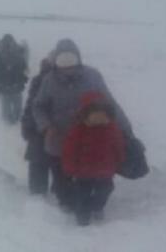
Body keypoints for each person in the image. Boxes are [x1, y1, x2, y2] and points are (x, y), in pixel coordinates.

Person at [32, 39, 132, 211]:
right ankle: (67, 204)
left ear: (79, 58)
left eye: (71, 60)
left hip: (89, 138)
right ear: (56, 61)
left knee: (91, 175)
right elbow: (38, 106)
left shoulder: (92, 76)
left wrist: (126, 129)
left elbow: (110, 104)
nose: (67, 66)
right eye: (62, 61)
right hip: (58, 138)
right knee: (61, 176)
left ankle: (90, 206)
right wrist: (46, 126)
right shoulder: (49, 80)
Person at [62, 91, 125, 226]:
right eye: (94, 115)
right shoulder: (78, 130)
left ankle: (97, 206)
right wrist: (70, 167)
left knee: (105, 190)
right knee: (82, 194)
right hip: (83, 172)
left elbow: (118, 146)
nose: (98, 118)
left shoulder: (112, 129)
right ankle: (82, 215)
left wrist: (119, 162)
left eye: (102, 115)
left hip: (105, 171)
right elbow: (69, 151)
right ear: (85, 115)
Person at [21, 55, 53, 195]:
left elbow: (30, 105)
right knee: (57, 164)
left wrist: (27, 124)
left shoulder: (38, 80)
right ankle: (58, 194)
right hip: (49, 128)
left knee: (38, 162)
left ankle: (38, 194)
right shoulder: (41, 80)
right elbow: (31, 105)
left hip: (37, 129)